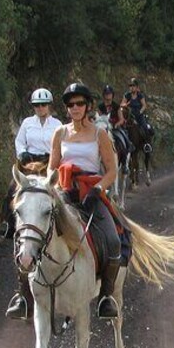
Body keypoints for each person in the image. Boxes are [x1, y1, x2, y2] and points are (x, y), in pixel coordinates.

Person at [50, 82, 122, 319]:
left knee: (112, 240)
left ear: (88, 106)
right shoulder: (59, 134)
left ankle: (106, 296)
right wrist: (54, 191)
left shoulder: (99, 133)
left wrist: (98, 189)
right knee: (33, 232)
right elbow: (52, 168)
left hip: (91, 193)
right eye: (71, 104)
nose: (75, 108)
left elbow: (111, 171)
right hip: (65, 193)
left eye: (80, 103)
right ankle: (26, 294)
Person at [0, 88, 61, 239]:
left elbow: (61, 145)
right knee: (12, 188)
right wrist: (22, 153)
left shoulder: (57, 124)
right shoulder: (27, 123)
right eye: (37, 105)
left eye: (43, 105)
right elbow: (19, 141)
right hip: (29, 162)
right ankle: (9, 224)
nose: (40, 108)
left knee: (58, 191)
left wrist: (54, 157)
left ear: (49, 105)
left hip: (48, 163)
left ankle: (60, 225)